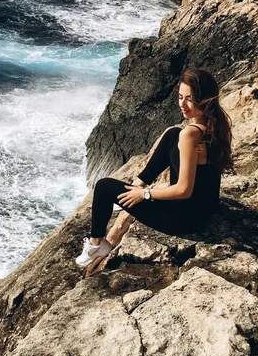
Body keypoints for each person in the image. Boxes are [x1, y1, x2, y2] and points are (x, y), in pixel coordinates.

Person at [76, 68, 234, 267]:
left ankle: (96, 244)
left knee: (103, 187)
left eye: (189, 99)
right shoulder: (220, 125)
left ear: (204, 100)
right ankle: (135, 186)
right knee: (172, 134)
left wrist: (145, 194)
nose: (182, 105)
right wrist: (140, 189)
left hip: (182, 218)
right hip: (206, 209)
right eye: (180, 97)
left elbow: (184, 190)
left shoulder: (190, 135)